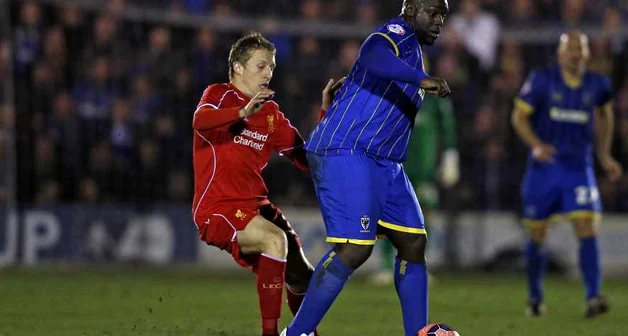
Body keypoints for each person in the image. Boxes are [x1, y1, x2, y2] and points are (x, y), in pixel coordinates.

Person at [282, 1, 452, 335]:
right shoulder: (398, 33)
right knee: (355, 249)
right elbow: (373, 53)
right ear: (411, 8)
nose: (439, 21)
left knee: (413, 243)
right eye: (432, 12)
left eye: (443, 15)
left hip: (384, 161)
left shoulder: (415, 51)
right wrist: (421, 79)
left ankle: (417, 333)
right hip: (348, 150)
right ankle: (296, 333)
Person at [191, 32, 343, 336]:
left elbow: (307, 159)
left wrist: (327, 113)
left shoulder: (270, 113)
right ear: (237, 67)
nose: (268, 73)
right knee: (275, 241)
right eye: (261, 66)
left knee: (303, 279)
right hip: (218, 207)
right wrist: (242, 113)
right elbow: (200, 121)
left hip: (256, 206)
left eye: (271, 67)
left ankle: (304, 333)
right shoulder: (219, 94)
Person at [511, 31, 623, 318]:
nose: (575, 54)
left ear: (587, 53)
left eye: (580, 48)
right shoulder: (541, 80)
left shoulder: (598, 84)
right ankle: (535, 299)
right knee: (537, 234)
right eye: (570, 48)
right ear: (559, 53)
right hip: (544, 170)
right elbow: (519, 117)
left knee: (587, 226)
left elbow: (606, 115)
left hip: (578, 168)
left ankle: (593, 297)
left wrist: (604, 155)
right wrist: (536, 145)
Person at [372, 60, 460, 285]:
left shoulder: (433, 99)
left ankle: (417, 263)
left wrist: (451, 156)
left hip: (424, 171)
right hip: (394, 167)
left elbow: (447, 128)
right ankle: (385, 265)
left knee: (423, 215)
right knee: (387, 214)